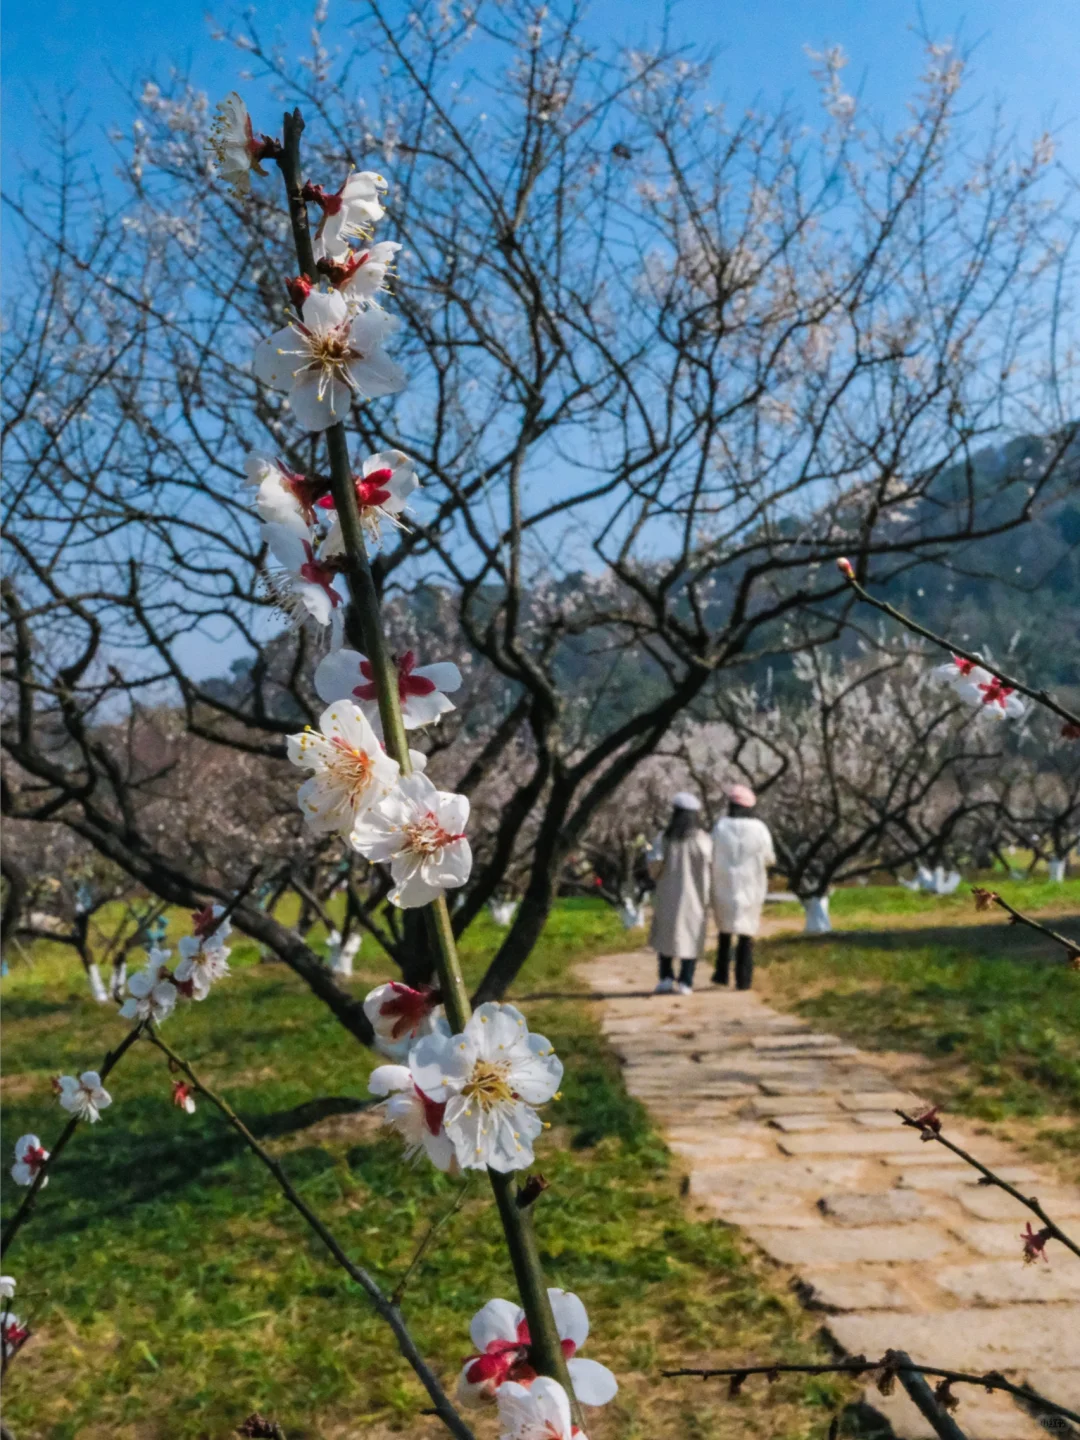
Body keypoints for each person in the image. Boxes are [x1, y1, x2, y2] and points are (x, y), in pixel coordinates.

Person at [711, 784, 775, 990]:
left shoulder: (720, 826)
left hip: (724, 883)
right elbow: (769, 858)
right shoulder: (759, 828)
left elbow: (711, 852)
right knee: (746, 933)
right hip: (751, 884)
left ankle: (721, 974)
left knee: (725, 930)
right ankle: (744, 979)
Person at [648, 792, 712, 995]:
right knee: (690, 938)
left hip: (668, 895)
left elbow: (654, 865)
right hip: (696, 897)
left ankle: (666, 977)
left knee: (666, 937)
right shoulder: (703, 839)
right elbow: (712, 866)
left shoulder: (665, 838)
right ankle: (686, 980)